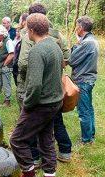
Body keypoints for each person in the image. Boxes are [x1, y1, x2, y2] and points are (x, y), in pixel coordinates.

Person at [10, 13, 63, 177]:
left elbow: (34, 85)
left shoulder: (37, 51)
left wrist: (27, 104)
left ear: (31, 30)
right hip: (55, 103)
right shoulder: (55, 46)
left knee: (16, 140)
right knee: (46, 142)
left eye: (27, 29)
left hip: (40, 105)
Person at [17, 3, 73, 164]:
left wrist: (39, 66)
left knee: (31, 125)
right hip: (55, 85)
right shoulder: (56, 33)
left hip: (37, 87)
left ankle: (34, 158)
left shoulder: (30, 35)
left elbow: (23, 62)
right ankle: (64, 151)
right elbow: (67, 56)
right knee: (55, 120)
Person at [68, 16, 99, 145]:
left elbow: (71, 60)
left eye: (77, 26)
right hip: (88, 79)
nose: (76, 29)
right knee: (88, 108)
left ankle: (86, 140)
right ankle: (90, 135)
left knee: (83, 111)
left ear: (81, 28)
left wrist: (76, 45)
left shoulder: (86, 43)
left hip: (83, 80)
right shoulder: (92, 40)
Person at [0, 25, 14, 107]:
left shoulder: (8, 41)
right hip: (1, 66)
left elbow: (12, 55)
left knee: (6, 83)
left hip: (6, 66)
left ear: (2, 34)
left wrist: (4, 65)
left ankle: (7, 101)